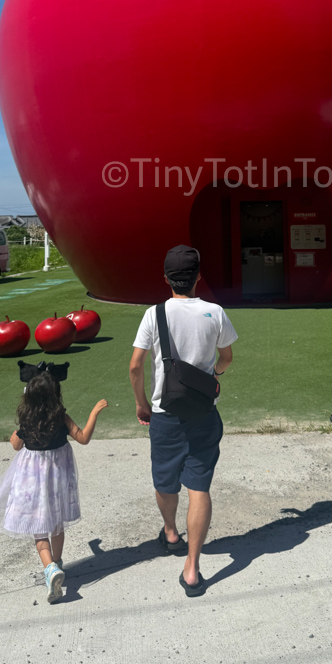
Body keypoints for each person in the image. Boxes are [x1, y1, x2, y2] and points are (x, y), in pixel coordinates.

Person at [129, 245, 237, 597]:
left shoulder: (154, 314)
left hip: (165, 413)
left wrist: (142, 404)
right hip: (204, 411)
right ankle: (192, 569)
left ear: (165, 278)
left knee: (165, 480)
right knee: (199, 487)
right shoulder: (215, 312)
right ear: (198, 277)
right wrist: (212, 375)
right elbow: (226, 357)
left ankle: (171, 533)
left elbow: (135, 366)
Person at [0, 364, 108, 603]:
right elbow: (83, 438)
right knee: (56, 523)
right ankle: (57, 564)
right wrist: (94, 413)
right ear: (55, 395)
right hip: (57, 479)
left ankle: (50, 568)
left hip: (31, 483)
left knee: (38, 529)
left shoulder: (27, 420)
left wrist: (15, 434)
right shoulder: (60, 417)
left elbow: (16, 445)